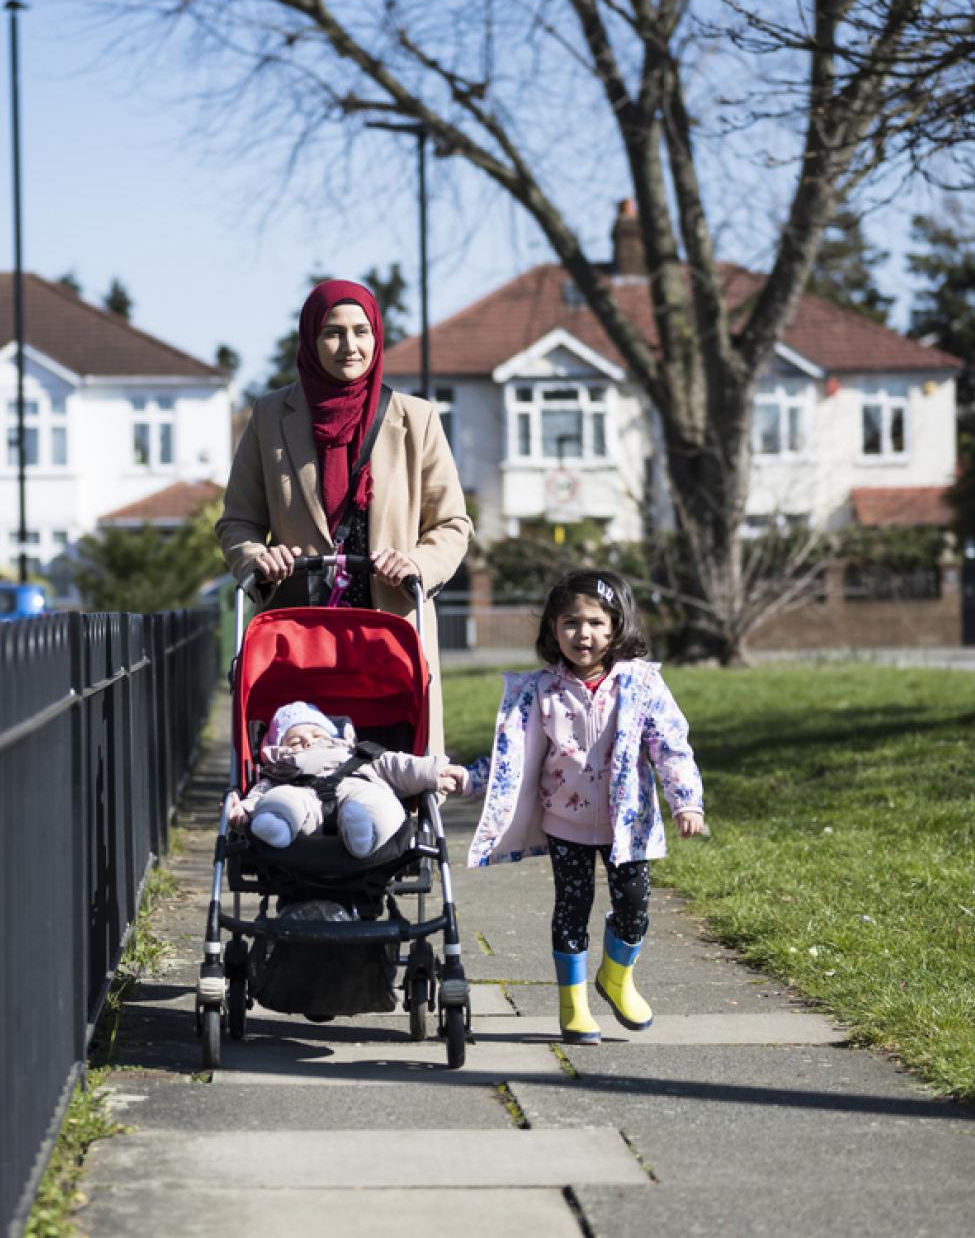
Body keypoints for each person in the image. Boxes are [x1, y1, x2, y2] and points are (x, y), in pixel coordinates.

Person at [218, 279, 472, 752]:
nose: (349, 345)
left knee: (397, 772)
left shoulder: (415, 418)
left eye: (361, 331)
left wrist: (418, 563)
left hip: (391, 636)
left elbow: (452, 524)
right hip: (298, 638)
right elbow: (237, 521)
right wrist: (258, 559)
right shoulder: (271, 415)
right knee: (297, 769)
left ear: (377, 336)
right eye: (332, 332)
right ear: (311, 340)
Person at [456, 569, 707, 1044]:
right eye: (570, 623)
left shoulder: (642, 684)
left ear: (616, 626)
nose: (583, 634)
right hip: (564, 821)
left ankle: (616, 976)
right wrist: (469, 778)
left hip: (627, 823)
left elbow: (670, 746)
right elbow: (513, 754)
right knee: (572, 907)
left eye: (595, 622)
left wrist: (685, 801)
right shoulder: (538, 691)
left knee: (633, 905)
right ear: (553, 629)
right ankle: (572, 1006)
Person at [230, 702, 465, 858]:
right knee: (281, 799)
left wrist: (437, 773)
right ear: (278, 748)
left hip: (357, 787)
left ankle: (363, 831)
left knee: (377, 802)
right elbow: (261, 792)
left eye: (316, 733)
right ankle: (276, 825)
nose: (308, 742)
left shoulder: (361, 754)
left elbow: (401, 766)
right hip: (303, 797)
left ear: (335, 734)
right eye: (294, 741)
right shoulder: (280, 767)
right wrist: (245, 812)